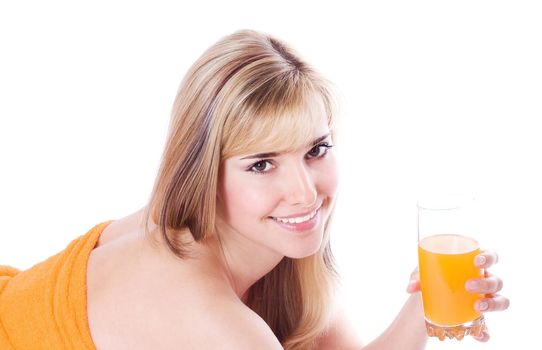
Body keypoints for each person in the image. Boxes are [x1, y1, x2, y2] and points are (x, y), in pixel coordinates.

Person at [0, 29, 509, 350]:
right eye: (262, 163)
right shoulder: (202, 310)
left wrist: (424, 310)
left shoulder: (263, 245)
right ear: (203, 172)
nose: (305, 193)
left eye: (316, 150)